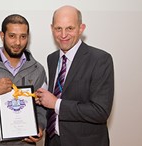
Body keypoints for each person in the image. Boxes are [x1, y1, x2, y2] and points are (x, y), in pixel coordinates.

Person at [35, 5, 114, 146]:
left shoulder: (100, 59)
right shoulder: (52, 59)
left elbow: (100, 111)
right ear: (52, 28)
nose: (63, 35)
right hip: (53, 141)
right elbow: (60, 94)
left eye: (69, 28)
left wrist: (56, 103)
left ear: (81, 28)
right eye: (58, 28)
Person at [0, 14, 47, 146]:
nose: (18, 42)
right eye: (12, 36)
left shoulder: (38, 69)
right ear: (2, 35)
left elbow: (42, 106)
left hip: (25, 143)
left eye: (23, 37)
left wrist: (40, 126)